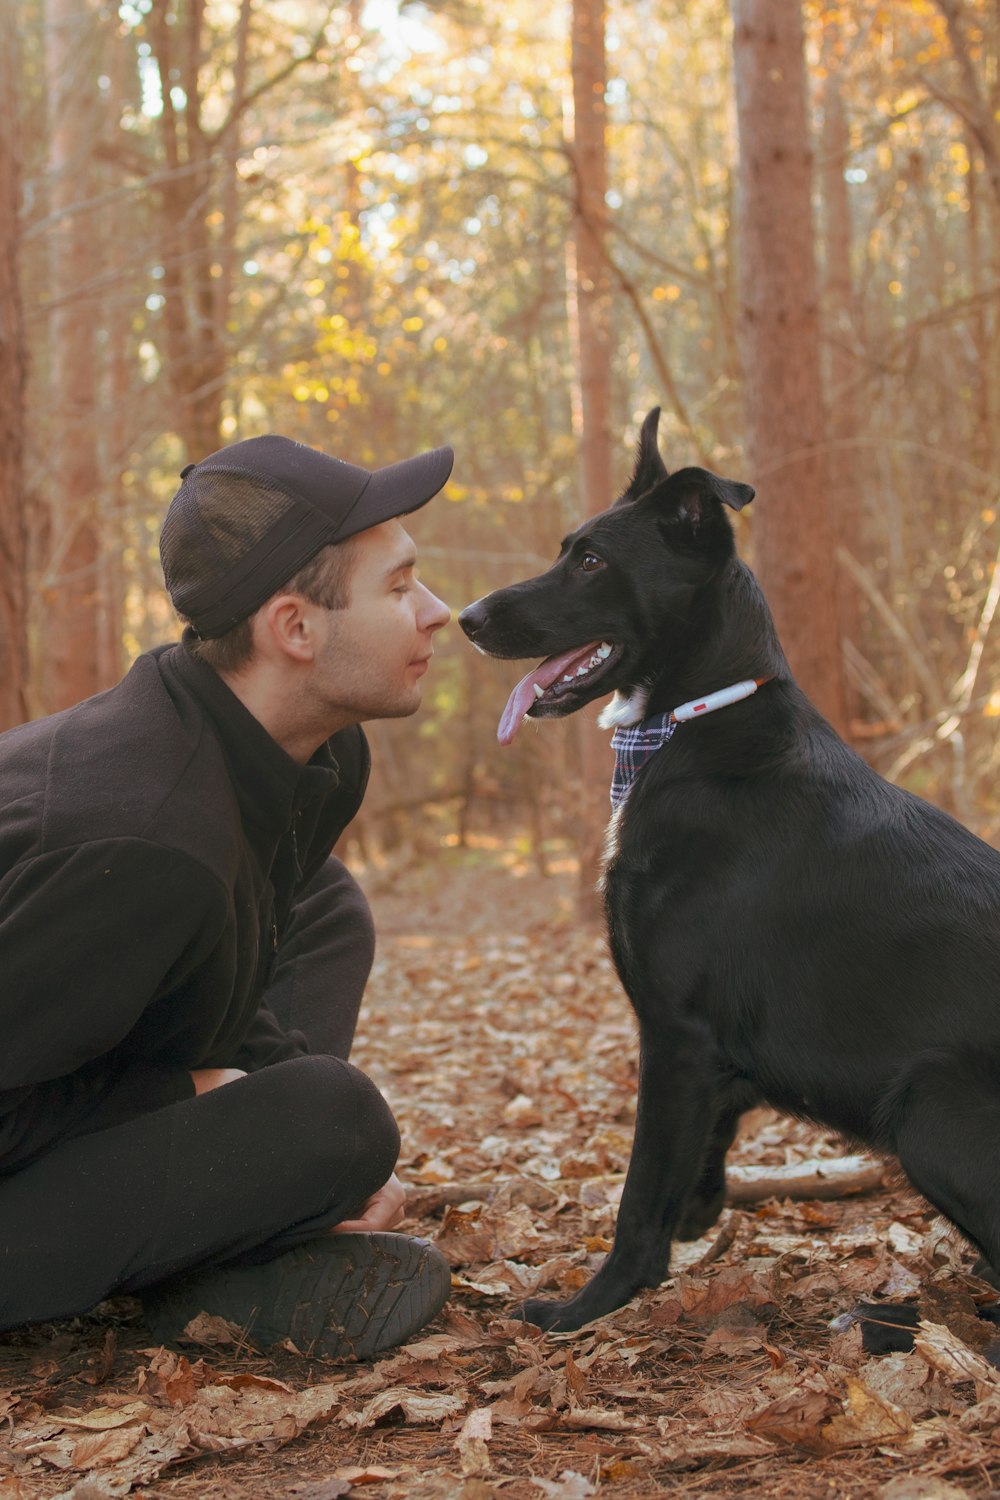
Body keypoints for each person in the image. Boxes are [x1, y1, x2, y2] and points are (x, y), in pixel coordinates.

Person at [0, 433, 455, 1359]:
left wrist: (283, 1149)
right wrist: (191, 1094)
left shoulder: (315, 759)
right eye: (401, 587)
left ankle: (246, 1230)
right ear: (294, 628)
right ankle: (223, 1253)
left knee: (326, 911)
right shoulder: (145, 843)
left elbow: (235, 971)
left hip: (77, 1016)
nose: (438, 612)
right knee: (336, 1121)